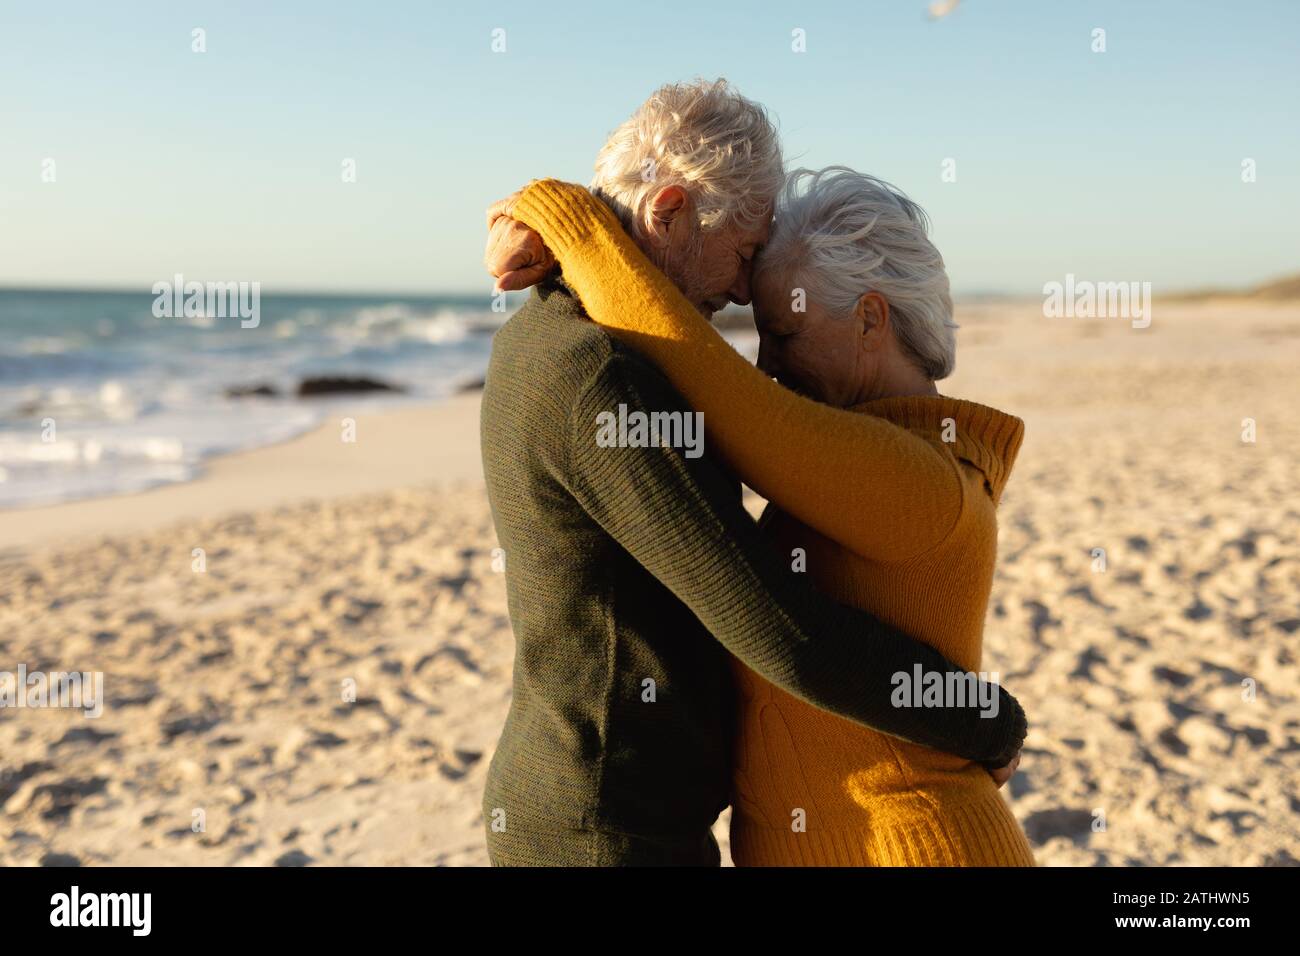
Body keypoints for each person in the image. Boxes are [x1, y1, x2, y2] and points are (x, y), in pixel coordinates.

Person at [479, 80, 1026, 867]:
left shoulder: (541, 340)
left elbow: (739, 406)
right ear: (668, 212)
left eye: (785, 324)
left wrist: (567, 216)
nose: (740, 287)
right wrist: (989, 722)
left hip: (609, 804)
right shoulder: (607, 374)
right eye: (742, 252)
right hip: (609, 826)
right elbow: (773, 623)